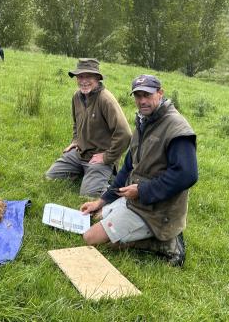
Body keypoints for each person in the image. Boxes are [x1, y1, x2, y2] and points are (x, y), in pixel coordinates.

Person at [79, 74, 198, 267]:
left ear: (160, 93)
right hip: (136, 200)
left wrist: (142, 190)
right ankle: (140, 229)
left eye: (147, 95)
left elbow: (187, 175)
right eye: (138, 95)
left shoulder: (177, 128)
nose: (142, 101)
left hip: (159, 210)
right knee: (97, 215)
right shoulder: (145, 121)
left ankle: (167, 243)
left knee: (90, 238)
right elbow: (127, 168)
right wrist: (100, 201)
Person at [45, 58, 131, 197]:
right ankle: (85, 173)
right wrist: (75, 141)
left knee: (88, 195)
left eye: (88, 76)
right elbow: (76, 123)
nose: (83, 81)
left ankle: (109, 180)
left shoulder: (105, 99)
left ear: (97, 77)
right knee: (50, 177)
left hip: (99, 156)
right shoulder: (77, 96)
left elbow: (125, 134)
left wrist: (107, 157)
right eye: (80, 76)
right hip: (80, 153)